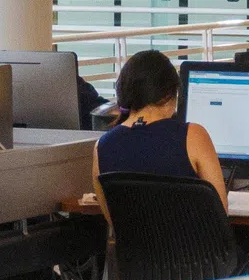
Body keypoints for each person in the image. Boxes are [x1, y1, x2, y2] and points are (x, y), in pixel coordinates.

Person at [93, 49, 228, 201]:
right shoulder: (193, 136)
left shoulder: (102, 147)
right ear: (169, 93)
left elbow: (114, 220)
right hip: (189, 225)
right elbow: (220, 209)